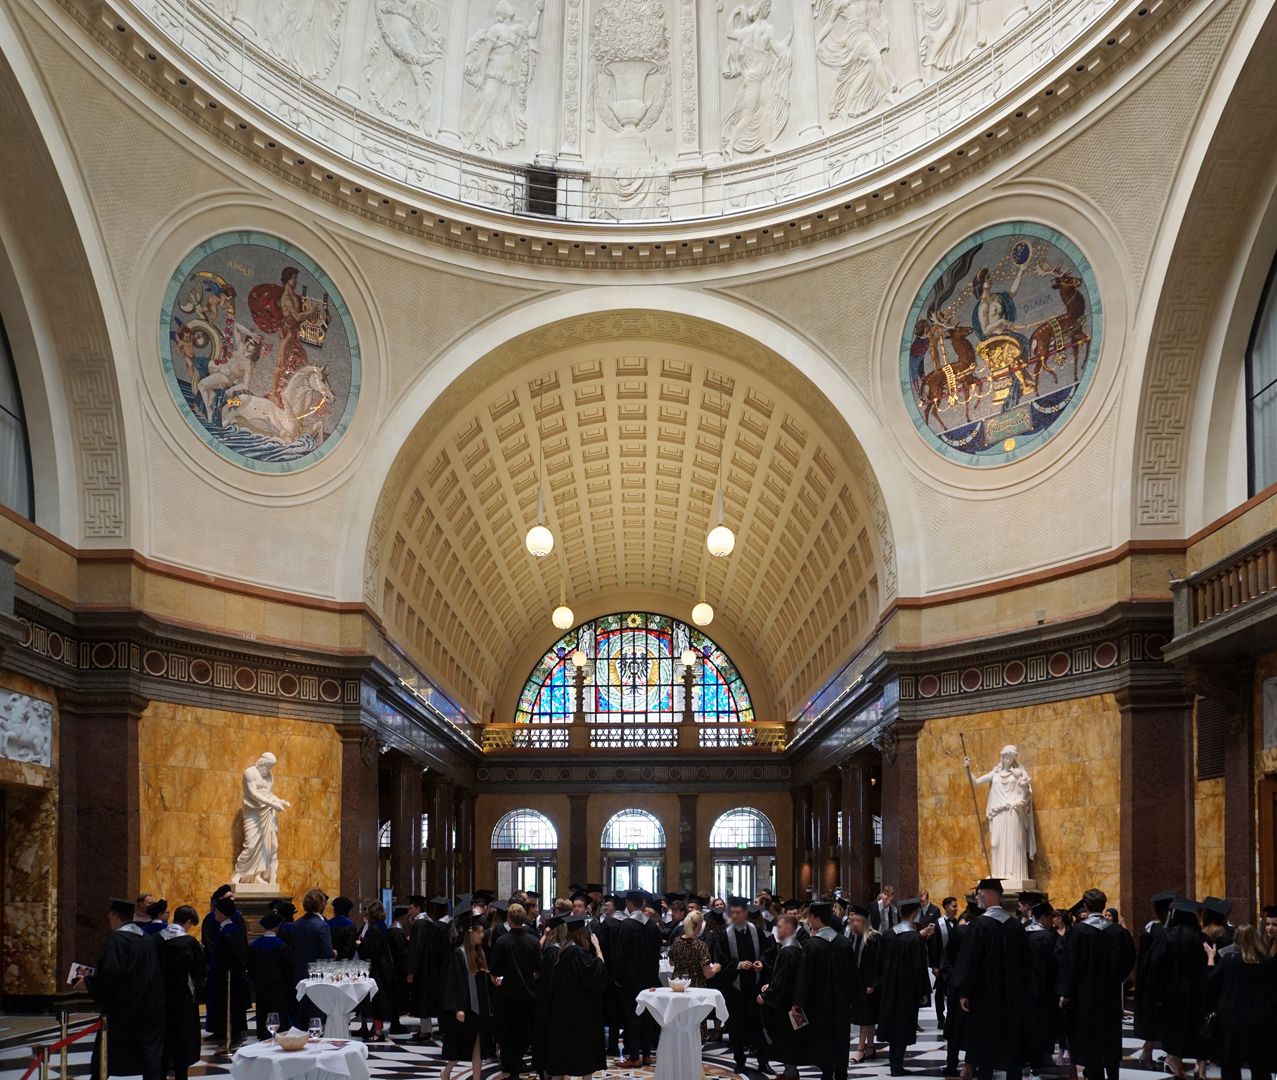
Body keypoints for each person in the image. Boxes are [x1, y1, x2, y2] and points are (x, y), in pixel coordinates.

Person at [951, 878, 1029, 1080]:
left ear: (985, 895)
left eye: (978, 894)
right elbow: (1026, 964)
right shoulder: (1016, 927)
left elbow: (970, 962)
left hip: (984, 997)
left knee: (985, 1044)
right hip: (1013, 997)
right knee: (1012, 1043)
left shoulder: (979, 926)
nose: (977, 898)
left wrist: (965, 992)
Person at [78, 898, 165, 1080]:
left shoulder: (117, 940)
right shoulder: (147, 939)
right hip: (150, 1006)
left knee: (106, 1051)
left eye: (110, 916)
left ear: (116, 917)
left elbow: (111, 974)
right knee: (149, 1053)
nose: (108, 919)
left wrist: (89, 982)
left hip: (124, 1009)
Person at [1056, 888, 1135, 1080]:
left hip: (1085, 997)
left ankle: (1095, 1074)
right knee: (1110, 1036)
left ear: (1085, 906)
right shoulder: (1118, 932)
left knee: (1091, 1039)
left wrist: (1066, 992)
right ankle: (1113, 1074)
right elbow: (1129, 960)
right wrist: (1116, 978)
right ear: (1104, 905)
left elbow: (1070, 965)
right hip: (1110, 995)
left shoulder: (1078, 932)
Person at [1206, 923, 1277, 1080]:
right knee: (1260, 1066)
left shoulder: (1229, 960)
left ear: (1236, 940)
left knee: (1230, 1065)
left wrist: (1211, 958)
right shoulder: (1268, 963)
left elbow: (1211, 982)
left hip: (1232, 1021)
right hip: (1261, 1020)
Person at [542, 914, 609, 1080]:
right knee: (584, 1055)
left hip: (563, 1012)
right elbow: (597, 973)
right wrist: (598, 949)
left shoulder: (563, 951)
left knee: (563, 1055)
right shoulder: (577, 953)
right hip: (581, 1013)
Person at [712, 895, 772, 1076]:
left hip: (754, 988)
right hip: (734, 989)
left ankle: (763, 1062)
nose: (736, 916)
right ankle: (739, 1061)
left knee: (758, 1027)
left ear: (745, 914)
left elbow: (767, 953)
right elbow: (720, 960)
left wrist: (761, 962)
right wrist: (737, 965)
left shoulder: (757, 931)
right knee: (736, 1028)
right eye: (733, 913)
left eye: (739, 913)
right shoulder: (724, 934)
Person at [795, 900, 854, 1080]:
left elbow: (804, 977)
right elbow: (853, 975)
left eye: (810, 917)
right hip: (842, 1003)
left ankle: (827, 1073)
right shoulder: (844, 943)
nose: (809, 921)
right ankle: (842, 1073)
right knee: (841, 1038)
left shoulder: (812, 946)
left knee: (823, 1038)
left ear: (817, 918)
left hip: (819, 1004)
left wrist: (798, 1002)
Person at [877, 896, 931, 1077]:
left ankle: (895, 1063)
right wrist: (923, 991)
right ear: (915, 913)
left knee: (893, 1025)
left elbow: (880, 962)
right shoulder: (914, 938)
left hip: (889, 989)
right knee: (902, 1026)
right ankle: (896, 1065)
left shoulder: (889, 935)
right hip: (907, 990)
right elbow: (919, 966)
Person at [439, 914, 497, 1080]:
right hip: (465, 1007)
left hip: (480, 1008)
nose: (482, 935)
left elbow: (483, 983)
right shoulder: (458, 955)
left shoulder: (480, 954)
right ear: (470, 933)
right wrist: (457, 1008)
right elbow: (453, 983)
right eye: (478, 932)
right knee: (460, 1047)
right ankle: (447, 1071)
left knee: (478, 1046)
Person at [1157, 899, 1208, 1079]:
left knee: (1173, 1030)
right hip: (1195, 990)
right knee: (1196, 1029)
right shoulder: (1201, 937)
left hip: (1171, 991)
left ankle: (1178, 1071)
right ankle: (1200, 1071)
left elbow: (1159, 965)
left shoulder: (1166, 937)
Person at [491, 901, 540, 1079]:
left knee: (507, 1031)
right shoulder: (533, 941)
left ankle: (509, 1065)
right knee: (524, 1031)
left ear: (509, 919)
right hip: (528, 993)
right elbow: (538, 967)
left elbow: (495, 968)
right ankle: (519, 1061)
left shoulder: (502, 941)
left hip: (507, 994)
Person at [614, 890, 664, 1067]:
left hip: (630, 980)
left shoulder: (626, 925)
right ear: (642, 903)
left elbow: (621, 954)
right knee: (647, 1016)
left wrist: (618, 976)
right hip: (650, 978)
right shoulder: (652, 925)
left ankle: (634, 1056)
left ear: (628, 903)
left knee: (632, 1017)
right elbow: (657, 951)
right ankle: (647, 1055)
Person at [759, 912, 805, 1080]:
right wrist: (770, 985)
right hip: (789, 999)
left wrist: (767, 994)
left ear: (789, 927)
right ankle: (789, 1071)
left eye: (779, 926)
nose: (776, 930)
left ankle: (791, 1073)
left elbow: (784, 981)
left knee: (786, 1038)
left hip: (786, 1003)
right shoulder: (791, 946)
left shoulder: (789, 950)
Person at [159, 906, 204, 1080]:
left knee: (163, 1038)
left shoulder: (157, 939)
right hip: (183, 999)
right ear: (187, 922)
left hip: (161, 999)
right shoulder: (188, 943)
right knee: (182, 1038)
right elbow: (199, 973)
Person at [1132, 891, 1175, 1065]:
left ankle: (1149, 1051)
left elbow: (1142, 958)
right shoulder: (1169, 929)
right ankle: (1157, 1052)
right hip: (1167, 980)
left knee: (1154, 1018)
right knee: (1163, 1018)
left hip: (1151, 980)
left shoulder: (1152, 929)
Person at [207, 896, 250, 1046]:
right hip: (228, 976)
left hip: (229, 977)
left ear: (222, 913)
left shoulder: (228, 931)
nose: (214, 914)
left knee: (231, 1007)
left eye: (216, 911)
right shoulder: (228, 929)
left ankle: (233, 1036)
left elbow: (231, 957)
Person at [356, 899, 402, 1040]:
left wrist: (361, 944)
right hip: (383, 967)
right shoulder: (382, 926)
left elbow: (372, 951)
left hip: (377, 969)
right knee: (378, 999)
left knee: (376, 1000)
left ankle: (378, 1032)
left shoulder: (374, 929)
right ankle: (377, 1030)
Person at [1024, 902, 1059, 1079]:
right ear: (1043, 918)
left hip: (1024, 989)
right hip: (1043, 989)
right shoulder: (1047, 937)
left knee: (1027, 1024)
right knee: (1040, 1025)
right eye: (1051, 918)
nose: (1053, 921)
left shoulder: (1022, 933)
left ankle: (1027, 1059)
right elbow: (1054, 965)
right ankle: (1039, 1061)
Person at [291, 888, 335, 1025]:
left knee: (302, 1017)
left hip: (299, 975)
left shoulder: (296, 924)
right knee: (317, 1016)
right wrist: (333, 953)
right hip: (318, 977)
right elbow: (328, 956)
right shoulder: (322, 926)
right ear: (321, 904)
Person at [248, 913, 295, 1039]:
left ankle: (263, 1033)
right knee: (278, 1010)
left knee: (262, 1008)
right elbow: (289, 968)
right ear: (277, 927)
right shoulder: (282, 946)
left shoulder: (254, 946)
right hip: (279, 986)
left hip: (260, 984)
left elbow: (250, 967)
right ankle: (279, 1032)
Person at [847, 903, 881, 1064]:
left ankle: (860, 1050)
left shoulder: (874, 938)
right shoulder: (853, 937)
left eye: (858, 921)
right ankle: (870, 1048)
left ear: (865, 922)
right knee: (867, 1017)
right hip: (857, 983)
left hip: (869, 985)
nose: (854, 924)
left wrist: (873, 984)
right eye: (853, 921)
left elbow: (877, 963)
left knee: (866, 1017)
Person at [927, 896, 958, 1030]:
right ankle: (941, 1019)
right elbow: (934, 947)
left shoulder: (957, 923)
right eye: (954, 906)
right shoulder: (938, 924)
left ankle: (952, 1017)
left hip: (955, 965)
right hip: (941, 964)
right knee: (940, 994)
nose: (956, 909)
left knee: (952, 993)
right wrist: (934, 965)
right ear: (946, 907)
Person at [667, 910, 720, 987]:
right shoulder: (700, 946)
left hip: (677, 985)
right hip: (695, 986)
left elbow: (671, 962)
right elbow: (708, 974)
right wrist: (716, 968)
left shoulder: (676, 941)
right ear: (699, 925)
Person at [328, 895, 357, 960]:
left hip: (330, 962)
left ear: (335, 910)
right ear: (348, 911)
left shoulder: (327, 924)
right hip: (345, 964)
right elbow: (350, 949)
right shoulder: (351, 926)